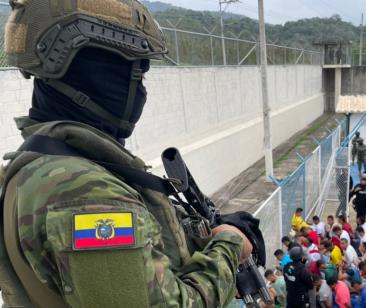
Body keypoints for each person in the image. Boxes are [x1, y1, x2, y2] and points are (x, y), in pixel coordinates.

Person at [0, 3, 253, 307]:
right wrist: (229, 245)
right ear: (99, 74)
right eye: (137, 76)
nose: (142, 93)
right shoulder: (87, 195)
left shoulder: (37, 166)